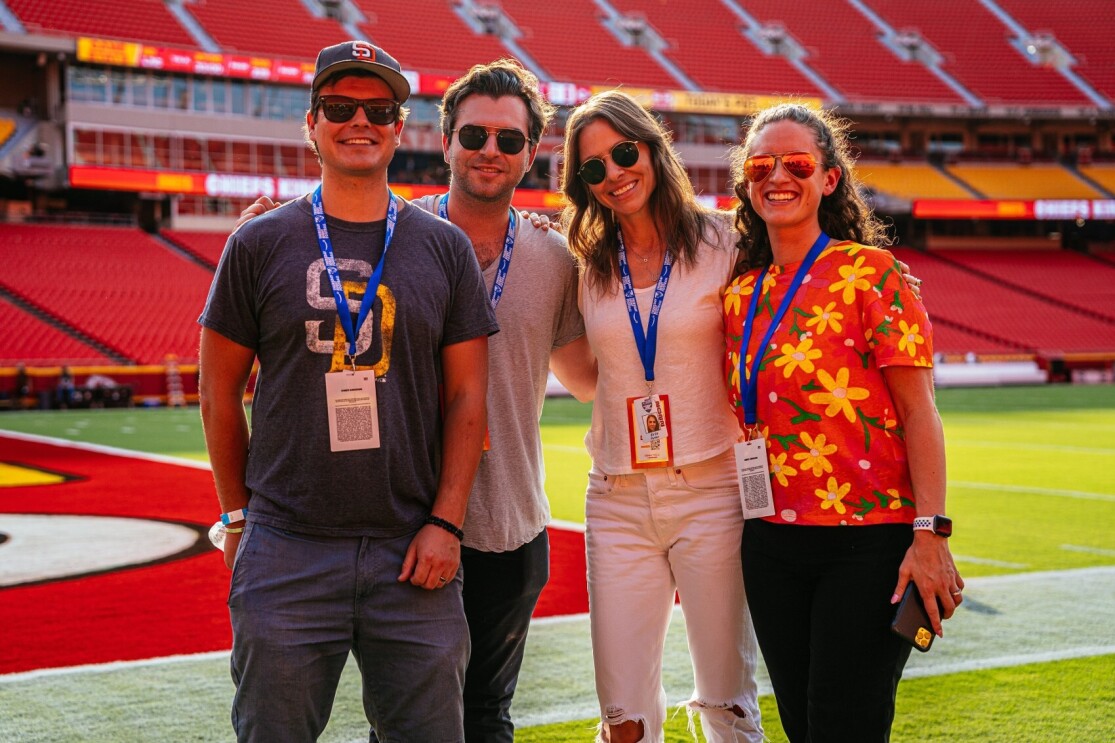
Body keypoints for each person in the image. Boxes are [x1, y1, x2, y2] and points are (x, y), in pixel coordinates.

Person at [233, 58, 593, 742]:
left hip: (506, 518)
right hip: (404, 516)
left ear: (532, 152)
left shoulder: (555, 259)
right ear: (443, 138)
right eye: (475, 135)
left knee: (482, 718)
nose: (490, 150)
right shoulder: (398, 235)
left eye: (510, 140)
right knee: (400, 716)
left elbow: (588, 378)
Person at [197, 40, 497, 742]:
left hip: (412, 544)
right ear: (311, 123)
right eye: (339, 107)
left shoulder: (442, 245)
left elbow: (466, 400)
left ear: (400, 126)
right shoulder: (259, 242)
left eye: (378, 108)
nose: (358, 121)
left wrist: (447, 522)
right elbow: (217, 392)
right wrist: (238, 518)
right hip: (287, 545)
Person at [722, 102, 963, 742]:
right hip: (770, 542)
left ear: (830, 178)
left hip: (871, 542)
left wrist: (931, 534)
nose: (778, 176)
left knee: (844, 723)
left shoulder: (874, 274)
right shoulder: (739, 292)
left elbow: (920, 412)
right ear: (745, 183)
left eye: (797, 163)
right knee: (803, 724)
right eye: (761, 165)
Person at [561, 90, 764, 743]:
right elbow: (591, 382)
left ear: (651, 146)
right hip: (616, 496)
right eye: (593, 168)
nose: (614, 174)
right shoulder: (586, 266)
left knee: (727, 704)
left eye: (623, 153)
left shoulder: (724, 241)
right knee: (622, 717)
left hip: (713, 490)